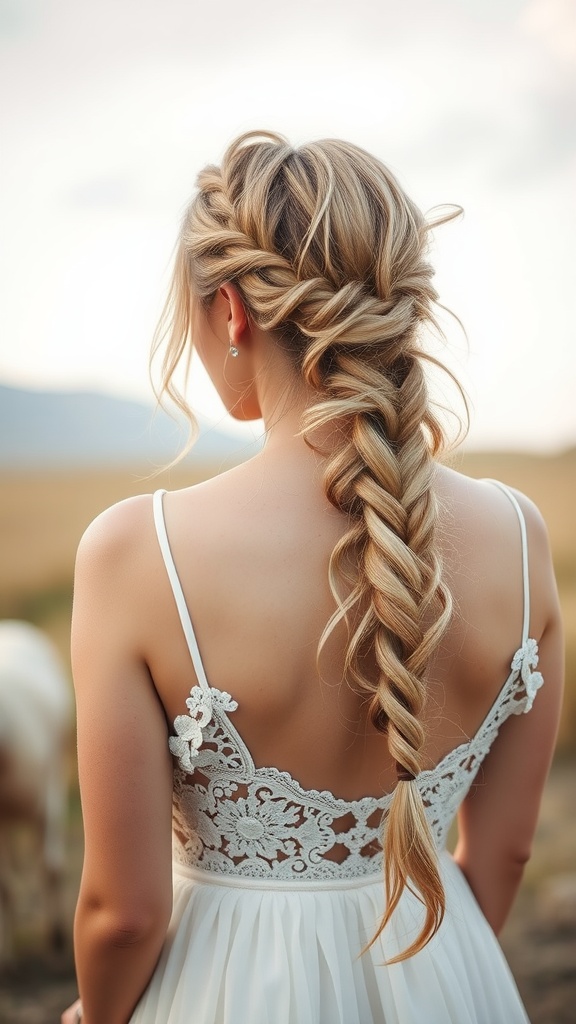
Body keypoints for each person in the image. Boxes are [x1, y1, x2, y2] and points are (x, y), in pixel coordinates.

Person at [62, 131, 563, 1024]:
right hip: (449, 976)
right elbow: (506, 853)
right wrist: (436, 977)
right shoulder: (521, 538)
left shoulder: (139, 554)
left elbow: (125, 914)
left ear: (230, 313)